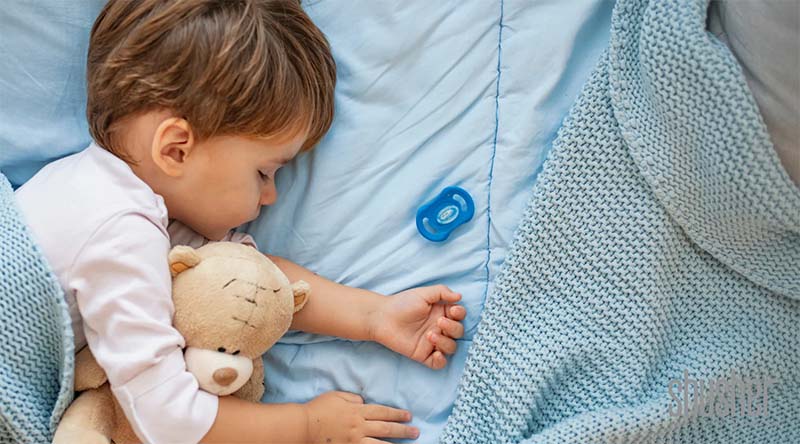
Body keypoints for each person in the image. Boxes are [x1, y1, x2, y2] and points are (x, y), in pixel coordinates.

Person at [14, 1, 467, 442]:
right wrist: (306, 427)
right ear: (176, 149)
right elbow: (168, 418)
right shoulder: (118, 231)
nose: (270, 197)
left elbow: (251, 285)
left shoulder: (117, 196)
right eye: (264, 173)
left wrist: (374, 315)